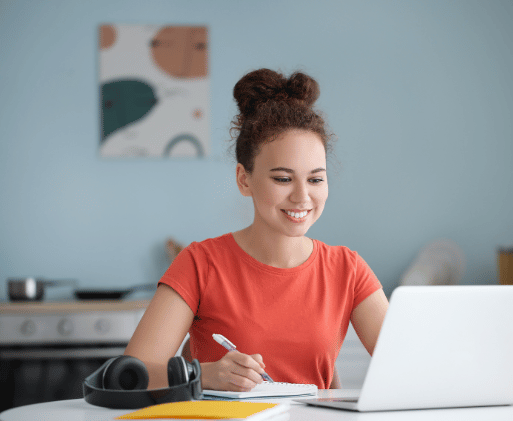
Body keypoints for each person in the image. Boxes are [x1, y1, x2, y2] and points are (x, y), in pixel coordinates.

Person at [124, 68, 389, 392]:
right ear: (244, 179)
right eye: (282, 178)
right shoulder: (199, 264)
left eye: (316, 179)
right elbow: (130, 376)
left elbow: (412, 368)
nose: (302, 196)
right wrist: (201, 376)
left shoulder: (348, 270)